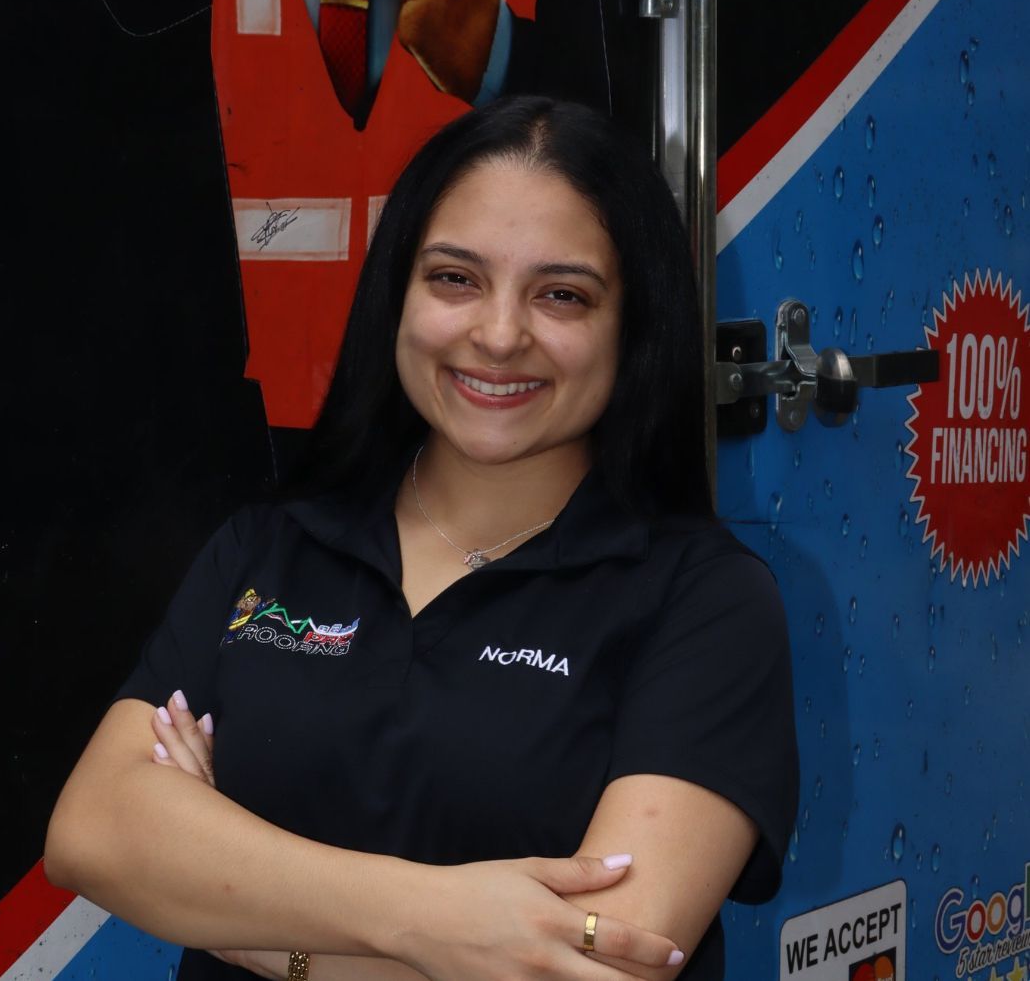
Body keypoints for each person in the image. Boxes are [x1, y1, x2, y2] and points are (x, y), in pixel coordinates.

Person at [44, 96, 798, 980]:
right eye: (455, 277)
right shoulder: (270, 548)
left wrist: (232, 910)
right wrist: (436, 919)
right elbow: (92, 832)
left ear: (634, 331)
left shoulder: (704, 599)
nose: (499, 333)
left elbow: (594, 965)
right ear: (396, 293)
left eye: (562, 294)